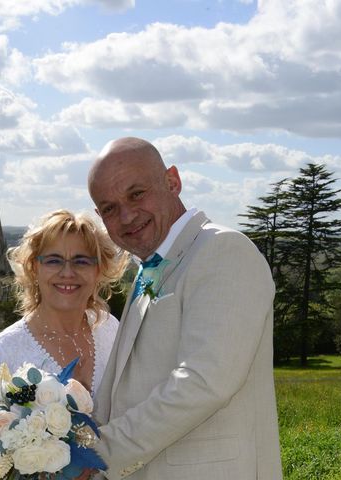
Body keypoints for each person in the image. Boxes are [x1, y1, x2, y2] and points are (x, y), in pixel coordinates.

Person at [87, 137, 283, 480]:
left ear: (172, 181)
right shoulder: (150, 267)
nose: (127, 215)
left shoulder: (224, 251)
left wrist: (99, 453)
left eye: (136, 194)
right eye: (109, 208)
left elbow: (204, 381)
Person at [0, 210, 128, 431]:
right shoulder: (3, 349)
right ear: (34, 268)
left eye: (81, 261)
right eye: (53, 260)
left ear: (98, 270)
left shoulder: (110, 329)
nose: (67, 272)